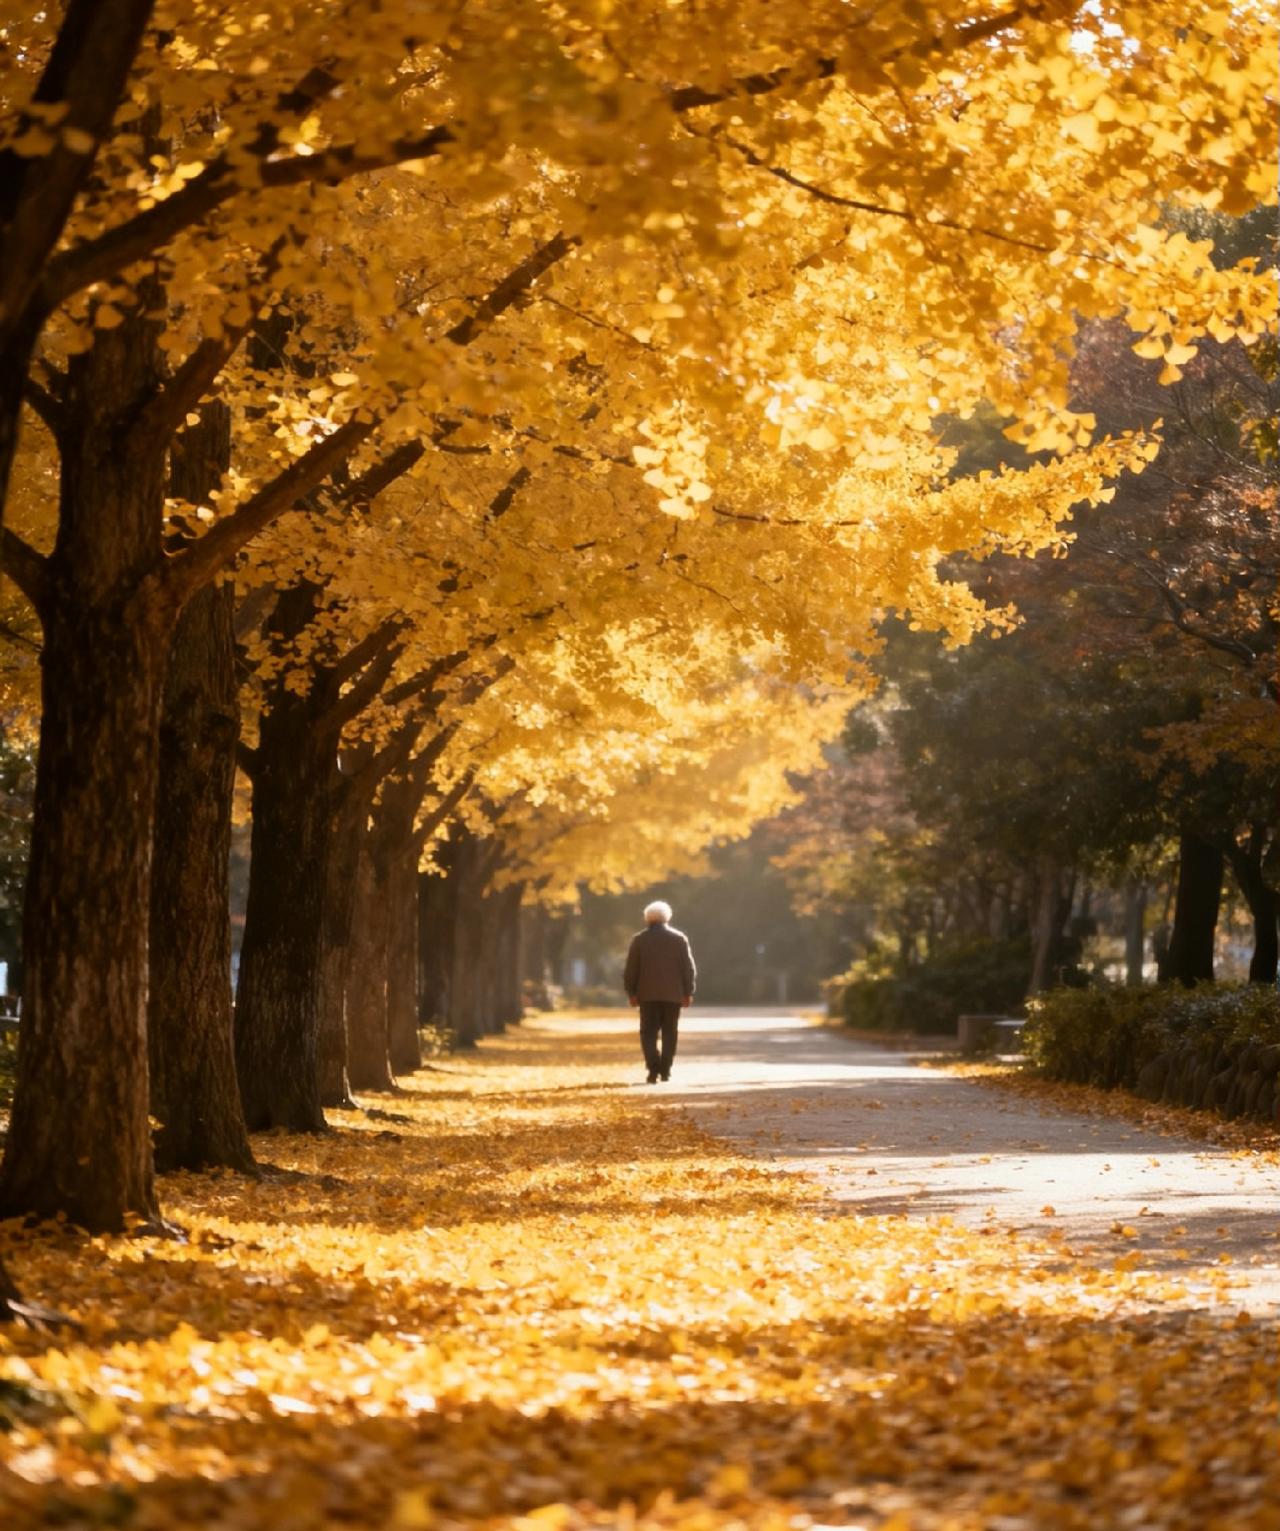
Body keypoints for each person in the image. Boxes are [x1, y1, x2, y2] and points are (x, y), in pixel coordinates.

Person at [623, 900, 696, 1084]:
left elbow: (631, 969)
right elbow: (688, 968)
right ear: (667, 917)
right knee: (670, 1032)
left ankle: (653, 1068)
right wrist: (688, 991)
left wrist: (631, 992)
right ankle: (666, 1070)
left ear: (647, 919)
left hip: (647, 996)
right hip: (673, 995)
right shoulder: (679, 939)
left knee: (648, 1033)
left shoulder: (639, 940)